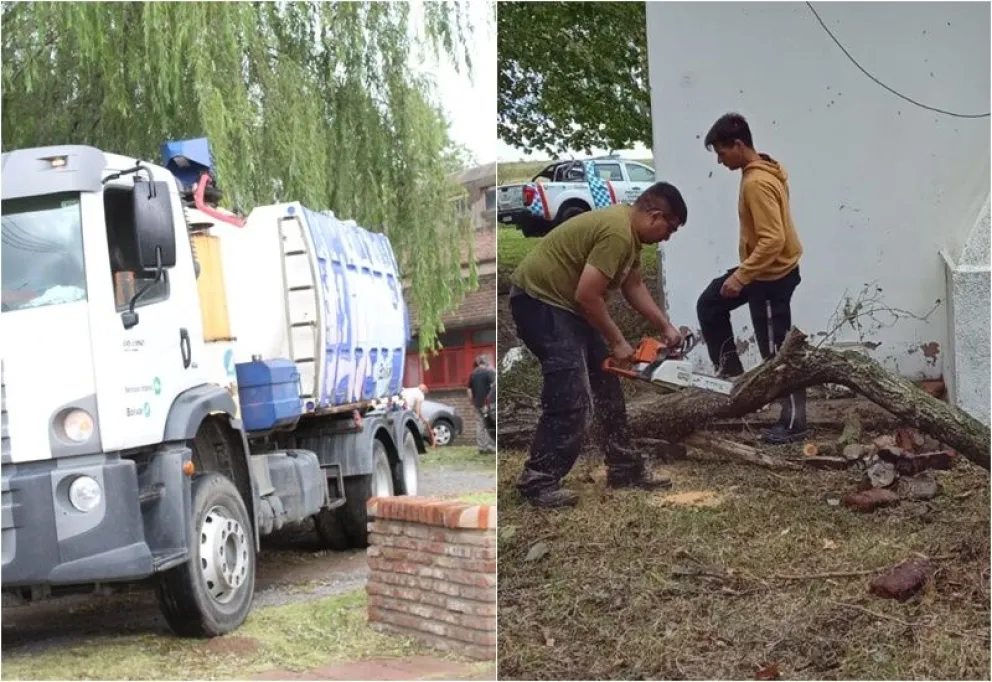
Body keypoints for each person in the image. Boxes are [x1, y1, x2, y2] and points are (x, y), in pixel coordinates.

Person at [508, 182, 689, 508]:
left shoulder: (630, 236)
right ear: (655, 215)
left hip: (568, 306)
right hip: (540, 301)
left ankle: (624, 468)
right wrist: (618, 342)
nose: (668, 236)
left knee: (606, 388)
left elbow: (633, 286)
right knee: (570, 391)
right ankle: (539, 480)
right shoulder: (618, 233)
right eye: (670, 228)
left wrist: (666, 327)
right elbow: (587, 295)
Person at [697, 112, 807, 444]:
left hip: (772, 277)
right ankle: (732, 380)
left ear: (739, 144)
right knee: (711, 304)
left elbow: (772, 240)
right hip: (763, 271)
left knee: (777, 353)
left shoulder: (757, 182)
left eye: (721, 152)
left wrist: (742, 276)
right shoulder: (759, 170)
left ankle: (795, 423)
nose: (719, 159)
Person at [467, 355, 497, 455]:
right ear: (485, 362)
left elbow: (469, 391)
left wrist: (473, 402)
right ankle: (490, 446)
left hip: (477, 404)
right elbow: (494, 387)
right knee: (489, 424)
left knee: (479, 425)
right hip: (487, 404)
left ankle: (481, 447)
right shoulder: (488, 372)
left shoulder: (473, 374)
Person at [401, 383, 436, 447]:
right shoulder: (420, 395)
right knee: (416, 428)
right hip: (406, 410)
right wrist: (418, 417)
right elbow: (418, 408)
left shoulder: (411, 390)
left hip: (400, 408)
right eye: (426, 390)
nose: (426, 392)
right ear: (424, 390)